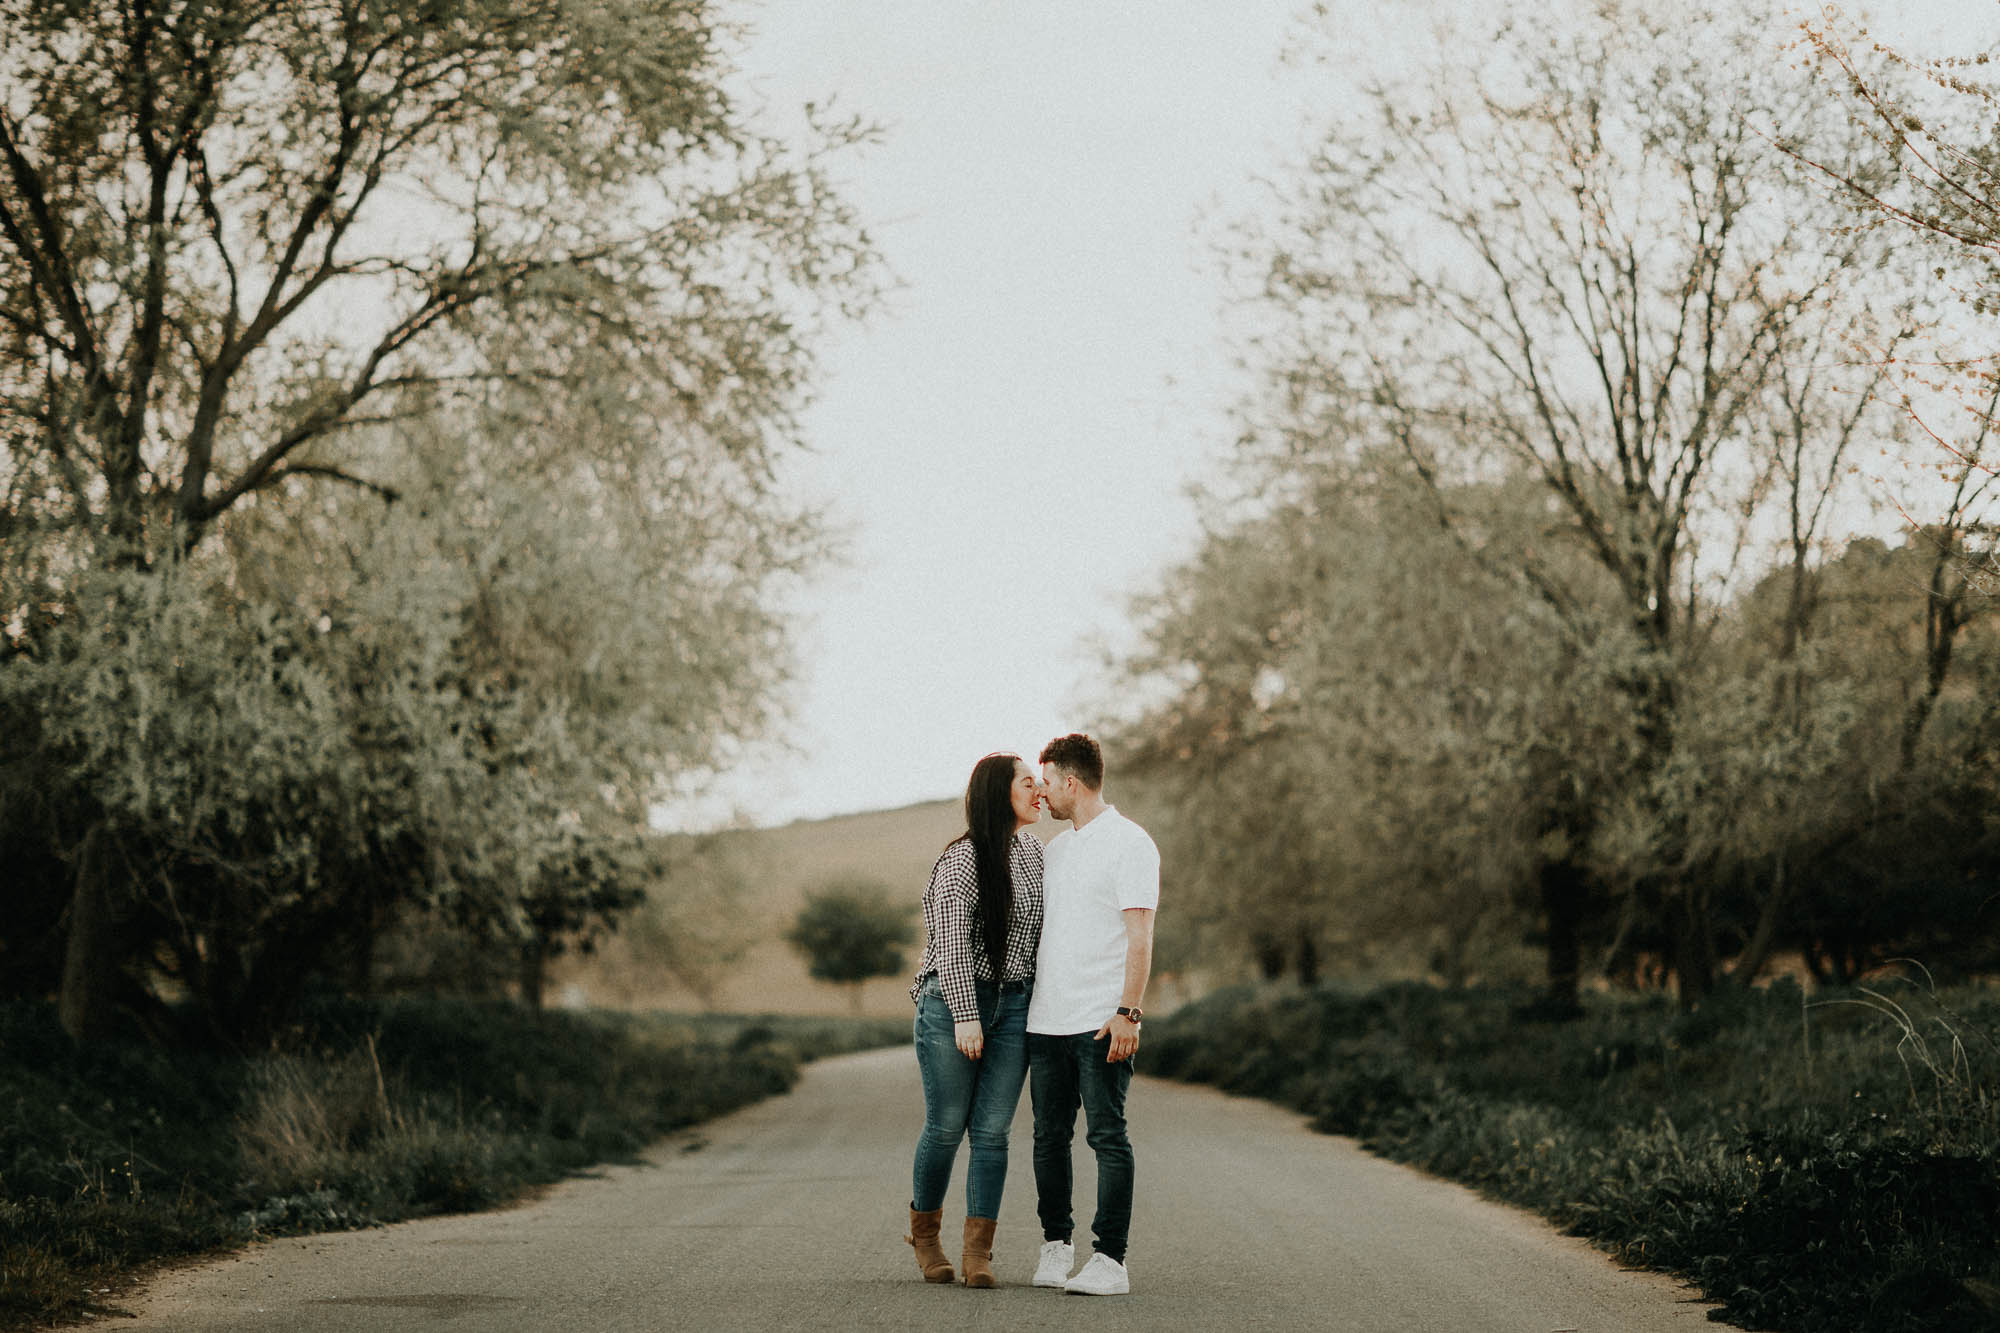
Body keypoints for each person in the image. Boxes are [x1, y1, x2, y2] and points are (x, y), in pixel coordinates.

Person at [903, 752, 1045, 1288]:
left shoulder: (1035, 852)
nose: (1040, 794)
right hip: (951, 1005)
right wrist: (966, 1016)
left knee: (992, 1131)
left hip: (1014, 1006)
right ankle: (925, 1237)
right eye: (1029, 785)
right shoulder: (959, 861)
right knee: (945, 1126)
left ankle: (978, 1253)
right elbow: (952, 943)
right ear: (997, 793)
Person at [1025, 732, 1158, 1297]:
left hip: (1102, 1022)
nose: (1043, 795)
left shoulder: (1131, 843)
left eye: (1047, 783)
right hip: (1046, 1020)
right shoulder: (1055, 850)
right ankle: (1057, 1246)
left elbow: (1141, 935)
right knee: (1048, 1138)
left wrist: (1128, 1011)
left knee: (1107, 1136)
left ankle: (1111, 1261)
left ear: (1070, 782)